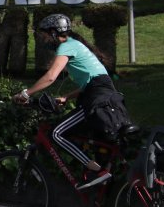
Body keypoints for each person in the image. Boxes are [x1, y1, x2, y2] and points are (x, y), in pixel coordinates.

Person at [13, 13, 126, 190]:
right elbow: (91, 81)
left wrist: (26, 93)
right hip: (100, 96)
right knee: (77, 134)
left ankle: (96, 170)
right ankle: (100, 178)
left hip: (96, 100)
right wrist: (66, 97)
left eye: (43, 35)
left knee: (57, 133)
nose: (43, 39)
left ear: (53, 32)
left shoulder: (66, 46)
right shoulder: (76, 46)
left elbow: (50, 77)